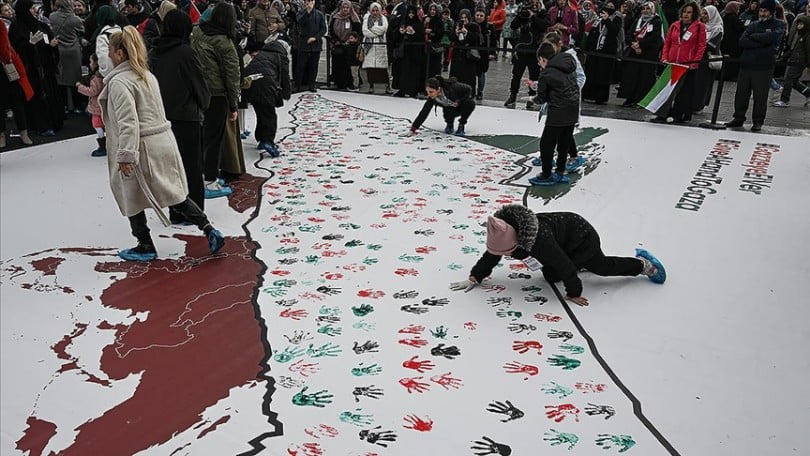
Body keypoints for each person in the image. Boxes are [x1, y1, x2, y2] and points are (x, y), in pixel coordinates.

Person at [99, 26, 225, 261]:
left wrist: (126, 155)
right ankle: (209, 229)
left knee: (131, 196)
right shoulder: (147, 76)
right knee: (174, 193)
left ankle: (144, 244)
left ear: (119, 53)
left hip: (141, 146)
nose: (107, 56)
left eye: (109, 51)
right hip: (163, 141)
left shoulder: (120, 83)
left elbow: (128, 122)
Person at [449, 205, 666, 306]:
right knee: (550, 276)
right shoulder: (508, 234)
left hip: (581, 237)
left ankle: (643, 265)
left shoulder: (539, 241)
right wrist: (475, 277)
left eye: (509, 252)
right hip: (561, 240)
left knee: (601, 267)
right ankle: (582, 264)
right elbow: (491, 256)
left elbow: (565, 267)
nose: (507, 255)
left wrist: (574, 293)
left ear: (517, 241)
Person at [149, 9, 210, 219]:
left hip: (161, 118)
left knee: (170, 167)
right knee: (191, 167)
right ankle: (194, 212)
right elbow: (198, 85)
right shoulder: (185, 52)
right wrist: (204, 104)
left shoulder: (154, 52)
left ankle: (175, 210)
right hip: (186, 116)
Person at [190, 2, 240, 198]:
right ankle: (209, 182)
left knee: (201, 137)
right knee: (214, 139)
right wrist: (233, 104)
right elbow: (232, 75)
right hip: (216, 95)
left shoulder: (196, 32)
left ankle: (203, 175)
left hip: (195, 92)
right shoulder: (224, 42)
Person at [724, 0, 784, 131]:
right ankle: (738, 117)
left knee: (760, 96)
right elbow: (743, 41)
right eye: (761, 11)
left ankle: (758, 121)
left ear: (771, 12)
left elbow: (773, 40)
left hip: (763, 67)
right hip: (747, 65)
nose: (762, 14)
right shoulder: (754, 24)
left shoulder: (779, 25)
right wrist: (761, 40)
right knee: (741, 94)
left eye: (765, 11)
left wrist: (755, 39)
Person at [527, 41, 578, 186]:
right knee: (564, 141)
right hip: (572, 109)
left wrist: (533, 98)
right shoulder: (569, 64)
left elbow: (541, 98)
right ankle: (560, 172)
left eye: (539, 61)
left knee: (546, 144)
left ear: (543, 59)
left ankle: (547, 174)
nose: (539, 64)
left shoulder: (547, 73)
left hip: (557, 112)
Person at [9, 0, 63, 136]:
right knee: (37, 98)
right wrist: (29, 45)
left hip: (46, 68)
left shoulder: (42, 25)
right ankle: (40, 126)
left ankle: (54, 122)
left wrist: (52, 45)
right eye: (31, 8)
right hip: (31, 71)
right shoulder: (16, 28)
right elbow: (15, 50)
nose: (34, 11)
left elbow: (48, 41)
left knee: (49, 94)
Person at [652, 1, 706, 123]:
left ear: (694, 14)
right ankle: (662, 113)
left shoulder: (699, 26)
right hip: (672, 63)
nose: (686, 14)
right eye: (685, 12)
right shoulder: (675, 25)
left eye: (689, 12)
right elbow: (667, 43)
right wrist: (664, 57)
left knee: (684, 92)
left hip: (687, 64)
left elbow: (701, 46)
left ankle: (679, 114)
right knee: (667, 90)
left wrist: (695, 62)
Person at [243, 29, 291, 156]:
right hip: (264, 83)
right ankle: (268, 141)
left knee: (261, 112)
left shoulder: (262, 52)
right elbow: (285, 76)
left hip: (249, 82)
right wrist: (286, 93)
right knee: (269, 114)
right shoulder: (281, 56)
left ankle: (261, 139)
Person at [504, 2, 548, 107]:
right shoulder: (523, 13)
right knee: (516, 75)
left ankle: (532, 97)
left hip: (534, 51)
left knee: (534, 76)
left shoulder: (542, 14)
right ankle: (513, 95)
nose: (534, 5)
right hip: (522, 49)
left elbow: (544, 26)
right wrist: (520, 16)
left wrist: (533, 17)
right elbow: (513, 26)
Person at [618, 1, 662, 107]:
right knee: (631, 76)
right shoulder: (638, 20)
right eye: (643, 9)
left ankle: (640, 100)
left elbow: (654, 37)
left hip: (647, 54)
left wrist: (640, 45)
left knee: (644, 79)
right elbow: (629, 34)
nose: (645, 11)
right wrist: (633, 44)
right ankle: (629, 98)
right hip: (634, 53)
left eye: (648, 9)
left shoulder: (656, 21)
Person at [0, 19, 34, 148]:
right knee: (12, 102)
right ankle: (20, 133)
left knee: (16, 100)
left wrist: (7, 58)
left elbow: (4, 46)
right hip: (7, 64)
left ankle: (21, 132)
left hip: (7, 65)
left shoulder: (1, 24)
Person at [407, 75, 475, 135]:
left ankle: (461, 125)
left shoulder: (453, 87)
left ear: (438, 89)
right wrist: (413, 129)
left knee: (470, 103)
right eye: (427, 92)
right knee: (448, 111)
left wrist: (459, 101)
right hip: (449, 109)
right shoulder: (432, 98)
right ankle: (450, 124)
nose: (429, 94)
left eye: (431, 92)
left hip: (461, 105)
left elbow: (469, 88)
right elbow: (424, 112)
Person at [49, 0, 85, 113]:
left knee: (61, 78)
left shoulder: (52, 16)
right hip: (73, 51)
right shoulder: (75, 19)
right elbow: (82, 31)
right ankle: (77, 105)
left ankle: (64, 105)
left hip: (59, 49)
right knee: (75, 78)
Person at [581, 6, 620, 104]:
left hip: (606, 52)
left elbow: (615, 31)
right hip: (594, 51)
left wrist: (607, 20)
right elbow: (591, 33)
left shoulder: (616, 19)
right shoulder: (598, 20)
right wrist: (587, 48)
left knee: (602, 76)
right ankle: (588, 95)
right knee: (591, 73)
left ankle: (600, 97)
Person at [773, 14, 810, 106]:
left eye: (801, 24)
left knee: (789, 80)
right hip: (795, 60)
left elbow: (808, 50)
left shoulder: (807, 36)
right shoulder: (801, 35)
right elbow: (793, 50)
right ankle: (808, 93)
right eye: (798, 24)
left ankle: (785, 100)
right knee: (793, 81)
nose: (799, 26)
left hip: (799, 61)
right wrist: (783, 58)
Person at [692, 5, 723, 112]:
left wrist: (700, 45)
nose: (703, 16)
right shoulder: (699, 26)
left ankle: (699, 105)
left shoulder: (717, 28)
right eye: (703, 13)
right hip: (696, 57)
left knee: (704, 83)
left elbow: (713, 44)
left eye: (706, 14)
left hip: (708, 58)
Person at [391, 4, 426, 97]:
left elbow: (421, 38)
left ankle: (413, 91)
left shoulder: (418, 24)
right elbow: (396, 38)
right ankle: (402, 89)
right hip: (404, 53)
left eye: (413, 13)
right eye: (409, 13)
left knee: (414, 72)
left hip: (415, 53)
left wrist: (413, 33)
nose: (411, 15)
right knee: (403, 72)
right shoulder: (403, 22)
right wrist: (400, 32)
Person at [76, 53, 106, 156]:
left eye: (91, 61)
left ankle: (103, 146)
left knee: (97, 125)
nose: (90, 64)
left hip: (97, 106)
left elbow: (93, 91)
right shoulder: (103, 74)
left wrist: (80, 87)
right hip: (102, 105)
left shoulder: (97, 77)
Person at [329, 0, 361, 90]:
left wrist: (349, 40)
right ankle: (338, 82)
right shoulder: (335, 17)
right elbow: (331, 30)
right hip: (338, 45)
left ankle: (350, 83)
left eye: (347, 8)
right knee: (338, 64)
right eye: (344, 7)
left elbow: (357, 31)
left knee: (349, 66)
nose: (345, 9)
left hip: (350, 46)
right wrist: (337, 40)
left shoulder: (353, 18)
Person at [449, 9, 482, 95]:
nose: (464, 19)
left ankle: (469, 93)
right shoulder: (456, 25)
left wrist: (466, 33)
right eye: (462, 17)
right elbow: (451, 38)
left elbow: (476, 39)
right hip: (457, 56)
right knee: (456, 75)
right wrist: (456, 33)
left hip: (468, 56)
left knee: (468, 76)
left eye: (466, 17)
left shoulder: (474, 26)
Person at [295, 0, 325, 92]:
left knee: (314, 66)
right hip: (304, 43)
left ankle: (312, 85)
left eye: (310, 2)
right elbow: (299, 22)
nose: (309, 4)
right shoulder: (300, 13)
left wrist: (315, 38)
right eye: (307, 2)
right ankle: (298, 85)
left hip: (316, 44)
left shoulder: (319, 14)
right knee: (301, 66)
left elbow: (323, 28)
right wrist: (307, 13)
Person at [720, 1, 746, 81]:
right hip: (733, 44)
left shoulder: (724, 17)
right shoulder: (734, 18)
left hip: (725, 43)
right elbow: (741, 28)